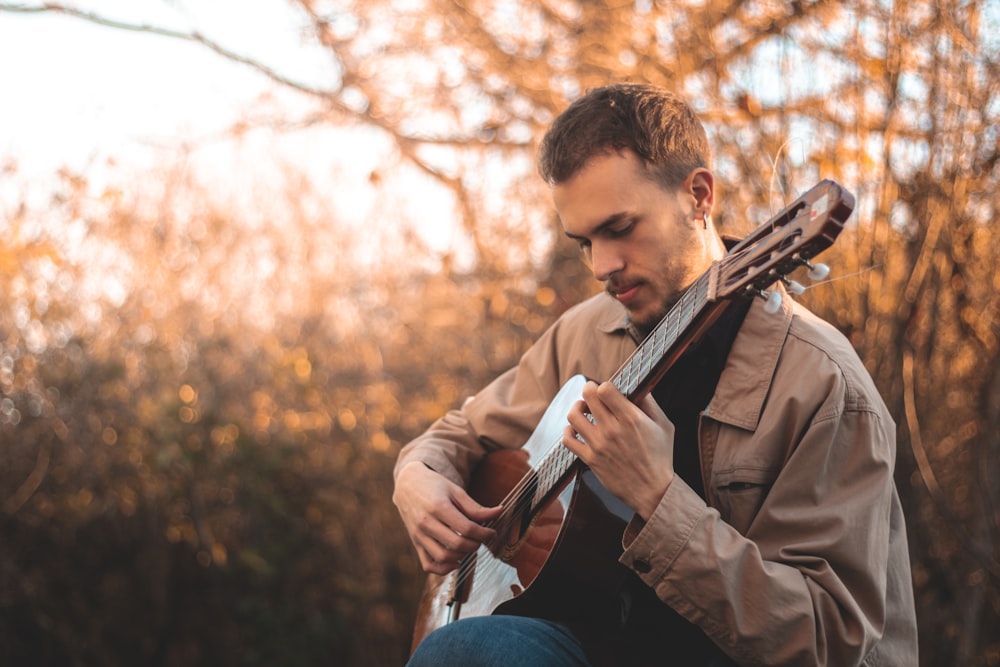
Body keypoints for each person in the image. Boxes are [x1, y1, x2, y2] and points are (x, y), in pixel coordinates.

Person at [392, 83, 918, 666]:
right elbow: (461, 433)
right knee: (465, 649)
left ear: (698, 195)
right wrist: (416, 475)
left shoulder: (821, 382)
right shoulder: (584, 331)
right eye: (584, 242)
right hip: (600, 644)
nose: (601, 266)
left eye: (619, 229)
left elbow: (827, 639)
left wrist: (656, 497)